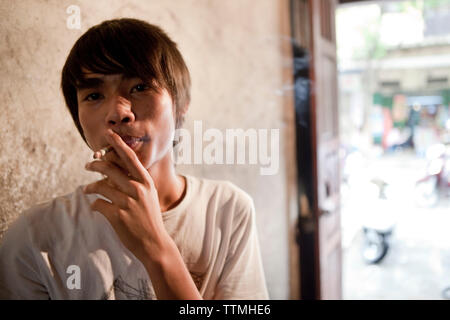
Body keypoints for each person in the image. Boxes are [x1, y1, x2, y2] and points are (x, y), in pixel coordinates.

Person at [0, 18, 268, 300]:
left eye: (140, 87)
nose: (117, 112)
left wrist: (157, 249)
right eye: (93, 95)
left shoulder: (226, 211)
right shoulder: (34, 237)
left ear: (181, 104)